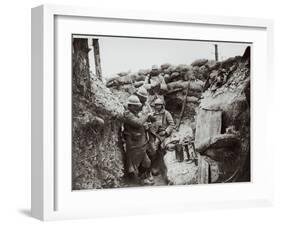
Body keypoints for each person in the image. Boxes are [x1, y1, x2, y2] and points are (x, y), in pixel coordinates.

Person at [123, 95, 154, 185]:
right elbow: (138, 123)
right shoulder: (127, 114)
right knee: (133, 167)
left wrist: (146, 123)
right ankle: (135, 183)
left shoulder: (134, 113)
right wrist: (146, 115)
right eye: (135, 106)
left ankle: (142, 177)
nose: (137, 107)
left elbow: (140, 123)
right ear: (130, 106)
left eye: (137, 106)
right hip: (134, 145)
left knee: (147, 162)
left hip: (140, 144)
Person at [148, 98, 175, 175]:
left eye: (159, 105)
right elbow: (149, 123)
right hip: (153, 133)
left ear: (162, 105)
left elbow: (172, 124)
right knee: (149, 147)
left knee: (156, 146)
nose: (157, 106)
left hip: (162, 134)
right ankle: (149, 167)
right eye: (156, 105)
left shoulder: (166, 113)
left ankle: (157, 167)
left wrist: (166, 131)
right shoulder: (152, 114)